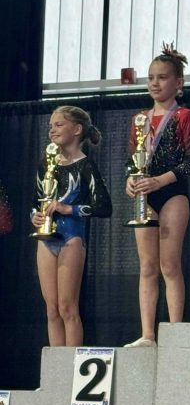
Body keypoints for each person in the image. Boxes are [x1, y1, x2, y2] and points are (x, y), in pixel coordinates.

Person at [124, 43, 190, 347]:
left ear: (178, 83)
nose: (155, 83)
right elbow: (132, 160)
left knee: (169, 265)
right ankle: (147, 334)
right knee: (147, 267)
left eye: (163, 77)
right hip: (145, 195)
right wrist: (131, 180)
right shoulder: (140, 120)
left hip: (172, 194)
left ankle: (174, 332)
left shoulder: (183, 116)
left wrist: (160, 181)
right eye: (151, 77)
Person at [31, 106, 112, 346]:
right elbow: (36, 201)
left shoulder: (86, 166)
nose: (52, 130)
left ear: (77, 129)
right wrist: (35, 216)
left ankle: (72, 364)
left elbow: (104, 207)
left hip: (71, 239)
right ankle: (57, 366)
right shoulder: (47, 164)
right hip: (46, 239)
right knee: (52, 309)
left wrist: (70, 209)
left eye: (59, 125)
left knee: (67, 307)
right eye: (50, 126)